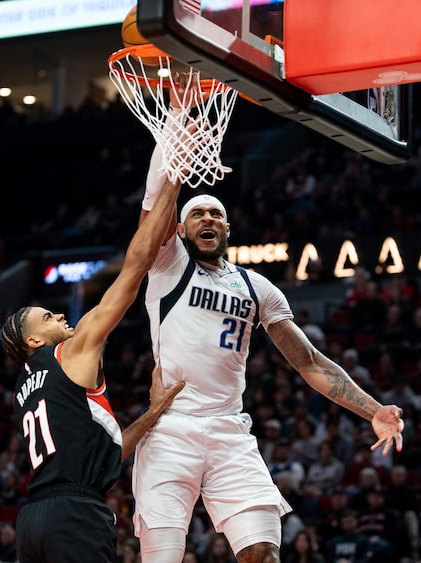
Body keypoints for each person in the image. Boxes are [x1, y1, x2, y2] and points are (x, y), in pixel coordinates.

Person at [132, 75, 405, 563]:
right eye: (197, 215)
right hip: (170, 429)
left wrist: (373, 411)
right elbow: (155, 204)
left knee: (263, 551)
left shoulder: (259, 288)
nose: (208, 220)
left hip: (229, 431)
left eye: (216, 213)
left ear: (229, 227)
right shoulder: (168, 265)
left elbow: (310, 362)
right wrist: (177, 126)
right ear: (181, 229)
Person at [0, 174, 185, 563]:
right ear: (33, 341)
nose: (60, 315)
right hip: (74, 515)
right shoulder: (71, 352)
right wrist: (172, 184)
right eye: (48, 317)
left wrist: (153, 412)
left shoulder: (22, 390)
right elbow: (134, 270)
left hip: (33, 520)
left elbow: (102, 454)